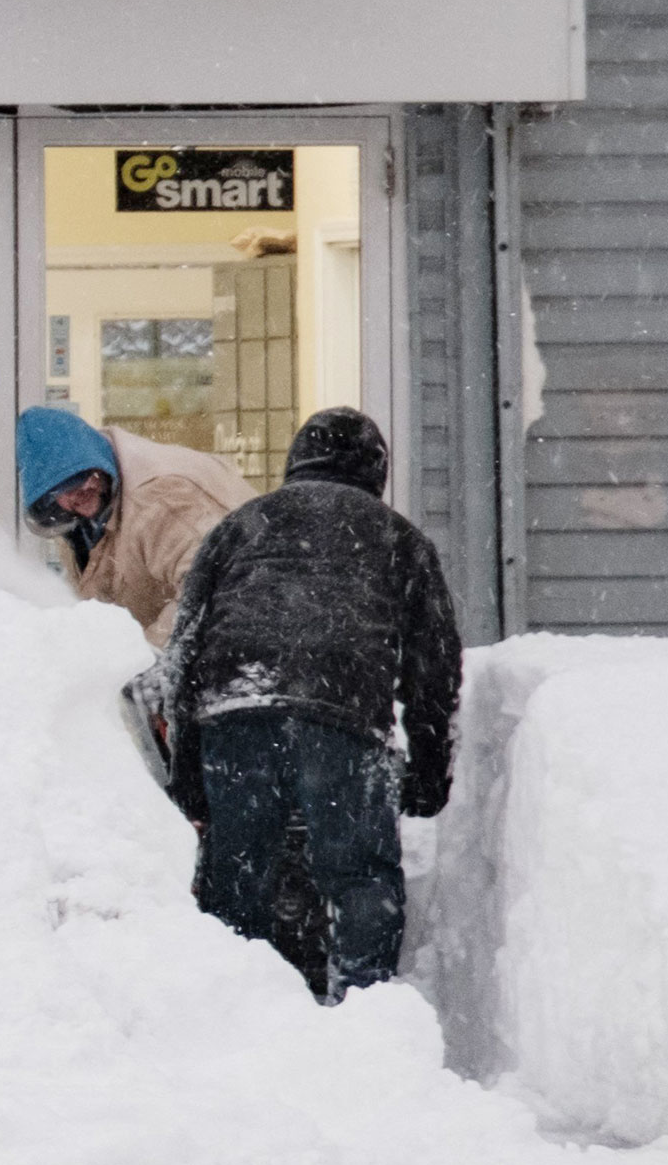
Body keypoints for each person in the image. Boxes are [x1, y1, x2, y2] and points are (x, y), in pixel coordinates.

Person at [160, 407, 463, 1002]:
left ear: (295, 463)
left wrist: (189, 777)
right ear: (376, 472)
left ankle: (229, 1012)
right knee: (359, 878)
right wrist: (428, 776)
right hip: (343, 717)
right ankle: (367, 1010)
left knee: (237, 877)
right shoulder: (399, 537)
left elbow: (185, 652)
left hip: (235, 708)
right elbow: (434, 670)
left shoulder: (240, 525)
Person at [14, 407, 254, 647]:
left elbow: (212, 589)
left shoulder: (162, 498)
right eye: (65, 487)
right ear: (46, 497)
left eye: (83, 476)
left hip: (246, 644)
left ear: (98, 459)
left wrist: (144, 663)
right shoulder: (79, 517)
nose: (84, 489)